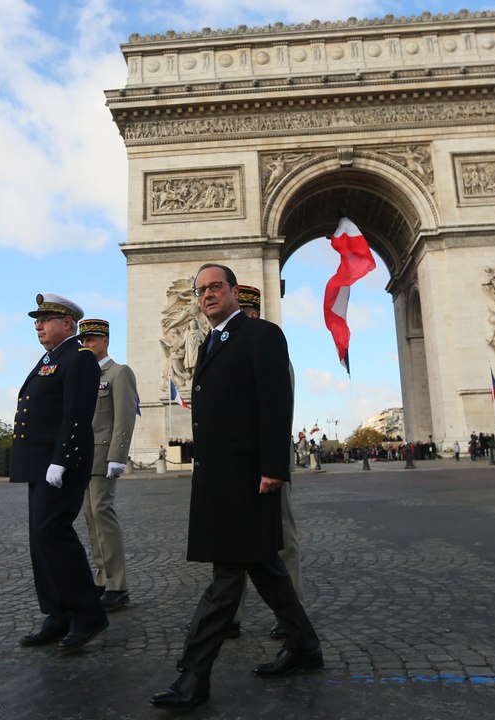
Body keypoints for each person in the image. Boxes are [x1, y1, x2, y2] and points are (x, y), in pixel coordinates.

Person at [150, 265, 322, 709]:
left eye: (215, 287)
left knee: (226, 578)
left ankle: (193, 674)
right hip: (219, 475)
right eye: (201, 290)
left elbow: (275, 401)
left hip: (249, 476)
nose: (208, 295)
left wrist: (272, 467)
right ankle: (304, 646)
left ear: (233, 291)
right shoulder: (210, 341)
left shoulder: (260, 334)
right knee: (264, 567)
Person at [11, 293, 107, 652]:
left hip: (61, 464)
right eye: (37, 320)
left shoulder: (79, 359)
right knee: (41, 539)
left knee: (54, 534)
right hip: (41, 463)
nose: (38, 325)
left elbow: (77, 414)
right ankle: (57, 613)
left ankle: (88, 614)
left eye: (45, 319)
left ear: (67, 323)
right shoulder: (51, 358)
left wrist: (62, 459)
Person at [229, 283, 304, 642]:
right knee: (229, 539)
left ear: (254, 313)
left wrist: (272, 465)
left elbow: (279, 411)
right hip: (231, 460)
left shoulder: (270, 348)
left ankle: (291, 611)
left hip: (265, 459)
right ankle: (229, 614)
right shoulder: (223, 349)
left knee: (280, 534)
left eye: (241, 315)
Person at [77, 319, 138, 612]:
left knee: (103, 512)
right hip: (84, 459)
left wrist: (118, 455)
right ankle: (101, 578)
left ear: (105, 341)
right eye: (83, 341)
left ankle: (117, 584)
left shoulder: (119, 372)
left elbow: (124, 417)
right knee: (90, 517)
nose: (86, 345)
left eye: (91, 340)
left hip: (104, 458)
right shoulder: (83, 376)